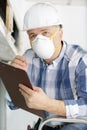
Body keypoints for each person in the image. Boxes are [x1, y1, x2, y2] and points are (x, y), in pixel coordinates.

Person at [10, 2, 87, 130]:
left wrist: (47, 104)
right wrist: (13, 79)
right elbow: (14, 105)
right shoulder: (28, 58)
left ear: (60, 34)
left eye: (45, 32)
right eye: (33, 35)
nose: (39, 40)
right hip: (46, 125)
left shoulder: (80, 60)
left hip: (78, 124)